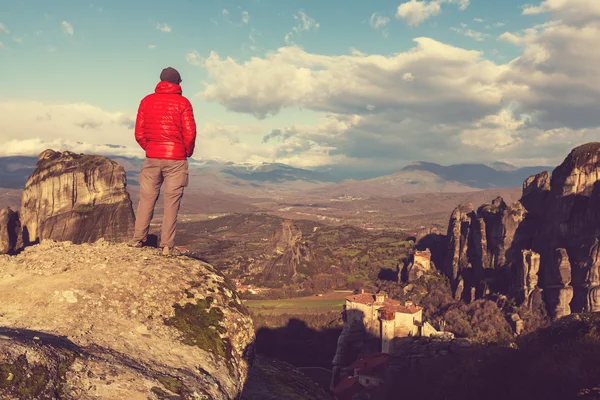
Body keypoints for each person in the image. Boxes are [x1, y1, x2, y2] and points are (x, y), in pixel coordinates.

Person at [128, 67, 197, 256]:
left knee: (146, 199)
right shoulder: (183, 103)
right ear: (177, 82)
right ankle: (167, 245)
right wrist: (185, 152)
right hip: (176, 159)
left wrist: (151, 148)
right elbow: (190, 133)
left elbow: (139, 133)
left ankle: (137, 239)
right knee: (171, 202)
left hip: (152, 157)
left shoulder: (146, 101)